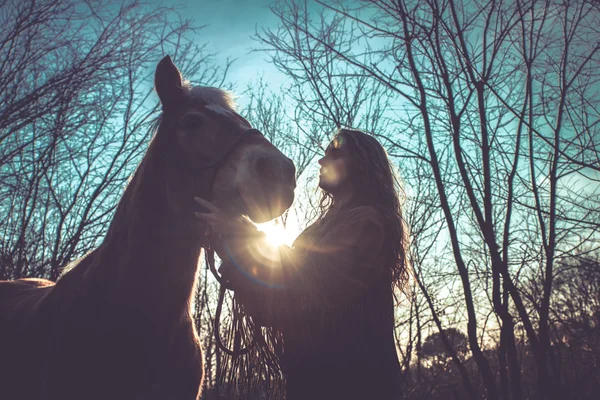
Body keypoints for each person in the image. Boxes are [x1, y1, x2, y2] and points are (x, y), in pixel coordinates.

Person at [196, 128, 409, 400]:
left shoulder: (368, 222)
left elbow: (315, 282)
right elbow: (280, 299)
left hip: (353, 383)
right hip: (316, 380)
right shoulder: (320, 230)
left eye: (334, 153)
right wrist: (227, 243)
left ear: (360, 165)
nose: (321, 161)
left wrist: (242, 232)